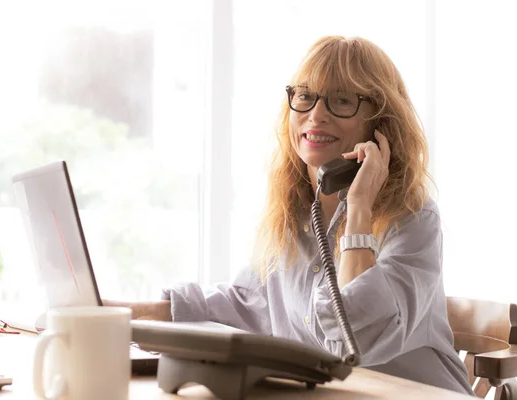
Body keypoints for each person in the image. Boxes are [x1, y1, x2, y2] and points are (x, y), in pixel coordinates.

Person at [104, 36, 473, 395]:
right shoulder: (292, 212)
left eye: (341, 101)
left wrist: (359, 208)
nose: (316, 115)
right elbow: (247, 304)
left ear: (380, 125)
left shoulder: (413, 218)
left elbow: (355, 339)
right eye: (305, 96)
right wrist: (120, 313)